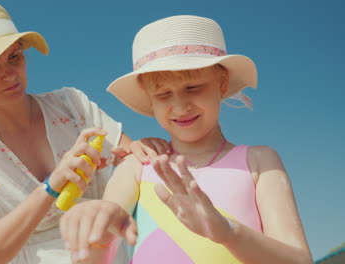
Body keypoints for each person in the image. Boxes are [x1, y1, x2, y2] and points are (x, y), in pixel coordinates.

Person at [0, 1, 170, 263]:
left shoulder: (71, 104)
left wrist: (139, 152)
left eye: (14, 57)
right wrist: (51, 187)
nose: (8, 73)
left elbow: (131, 161)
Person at [60, 15, 314, 264]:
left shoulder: (260, 161)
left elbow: (299, 260)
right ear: (150, 99)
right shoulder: (137, 167)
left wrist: (228, 232)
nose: (180, 106)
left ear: (222, 84)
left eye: (193, 88)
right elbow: (97, 253)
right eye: (163, 94)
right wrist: (92, 226)